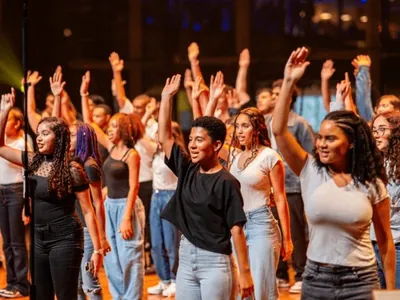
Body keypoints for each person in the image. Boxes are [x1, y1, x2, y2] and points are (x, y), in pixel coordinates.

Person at [272, 47, 395, 299]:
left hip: (361, 279)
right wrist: (288, 81)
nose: (321, 144)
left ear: (350, 143)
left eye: (330, 138)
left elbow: (385, 243)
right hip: (317, 278)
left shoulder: (372, 184)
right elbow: (279, 131)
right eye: (320, 138)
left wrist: (391, 292)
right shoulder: (309, 170)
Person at [158, 74, 254, 300]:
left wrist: (245, 273)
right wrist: (165, 99)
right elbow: (164, 137)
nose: (192, 144)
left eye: (199, 140)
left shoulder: (227, 182)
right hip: (186, 257)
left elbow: (237, 230)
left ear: (217, 145)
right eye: (190, 139)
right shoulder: (187, 168)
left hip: (216, 262)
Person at [0, 91, 103, 300]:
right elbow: (0, 147)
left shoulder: (73, 169)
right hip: (38, 238)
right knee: (39, 296)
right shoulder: (33, 161)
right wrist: (4, 112)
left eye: (45, 133)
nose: (39, 138)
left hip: (65, 238)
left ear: (60, 137)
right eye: (38, 133)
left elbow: (88, 211)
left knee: (65, 295)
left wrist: (98, 250)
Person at [81, 71, 146, 300]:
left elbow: (134, 187)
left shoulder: (132, 154)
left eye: (115, 126)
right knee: (112, 258)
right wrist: (84, 93)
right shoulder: (111, 147)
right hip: (110, 207)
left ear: (125, 130)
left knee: (130, 258)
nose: (109, 128)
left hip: (127, 207)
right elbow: (89, 124)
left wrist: (127, 216)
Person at [228, 107, 292, 300]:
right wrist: (210, 99)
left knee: (262, 289)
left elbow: (280, 198)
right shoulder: (234, 156)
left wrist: (287, 238)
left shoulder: (270, 156)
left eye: (245, 126)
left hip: (261, 225)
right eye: (237, 126)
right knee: (241, 288)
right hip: (237, 226)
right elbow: (206, 130)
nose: (239, 131)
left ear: (257, 128)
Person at [69, 123, 111, 300]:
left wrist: (100, 240)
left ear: (82, 139)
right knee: (76, 282)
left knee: (89, 282)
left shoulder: (89, 165)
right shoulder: (74, 163)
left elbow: (98, 203)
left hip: (88, 231)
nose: (67, 139)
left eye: (71, 136)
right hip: (75, 229)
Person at [147, 122, 184, 297]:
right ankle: (164, 279)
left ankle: (176, 279)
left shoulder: (176, 154)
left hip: (171, 195)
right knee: (156, 242)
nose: (156, 136)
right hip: (156, 196)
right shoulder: (156, 153)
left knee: (171, 242)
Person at [0, 107, 31, 298]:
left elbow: (28, 174)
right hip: (1, 191)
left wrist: (27, 205)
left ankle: (22, 284)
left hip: (16, 191)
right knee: (7, 243)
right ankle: (11, 282)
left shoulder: (22, 142)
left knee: (17, 242)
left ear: (17, 123)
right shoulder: (1, 142)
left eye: (6, 119)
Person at [371, 112, 400, 288]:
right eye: (374, 130)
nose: (377, 134)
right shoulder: (375, 162)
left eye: (382, 129)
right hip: (374, 243)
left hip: (397, 244)